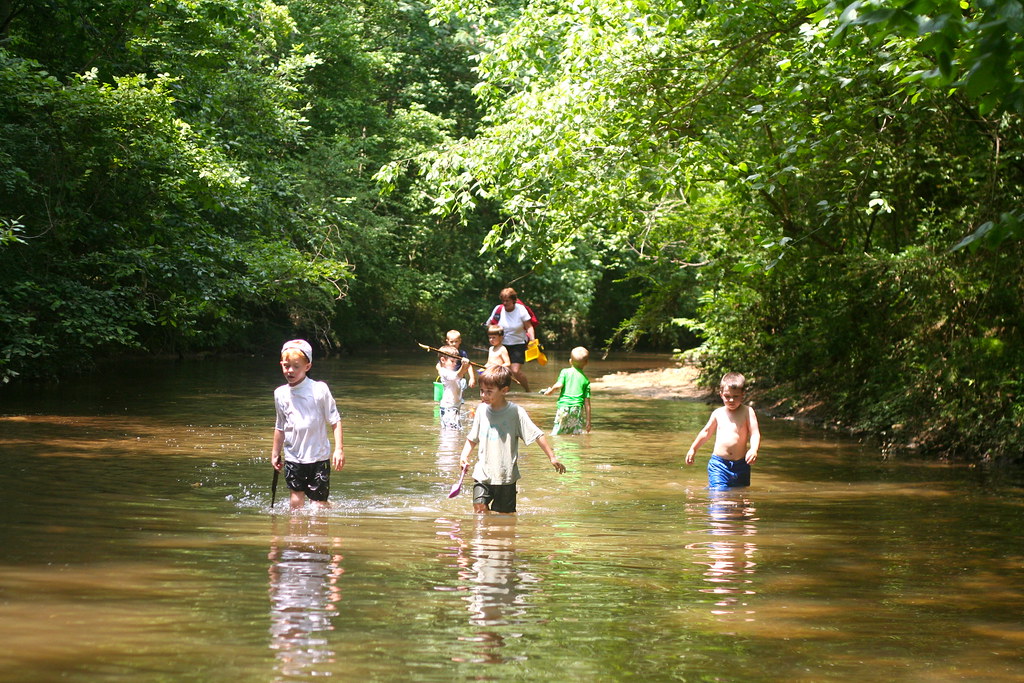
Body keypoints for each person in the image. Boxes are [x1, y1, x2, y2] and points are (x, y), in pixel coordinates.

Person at [459, 366, 566, 514]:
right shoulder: (481, 410)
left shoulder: (515, 412)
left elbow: (537, 434)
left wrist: (552, 458)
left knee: (505, 517)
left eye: (489, 392)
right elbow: (472, 438)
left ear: (504, 390)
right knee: (479, 509)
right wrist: (464, 456)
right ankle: (485, 535)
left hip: (506, 476)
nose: (483, 395)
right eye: (481, 390)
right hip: (482, 473)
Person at [271, 339, 345, 509]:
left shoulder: (319, 390)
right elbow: (280, 426)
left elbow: (335, 420)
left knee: (317, 508)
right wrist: (275, 453)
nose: (290, 370)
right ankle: (295, 534)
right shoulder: (280, 394)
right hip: (293, 456)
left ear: (307, 367)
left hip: (318, 457)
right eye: (286, 365)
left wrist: (339, 449)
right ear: (281, 364)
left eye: (296, 366)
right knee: (296, 506)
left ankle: (325, 507)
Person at [684, 372, 761, 490]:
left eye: (735, 396)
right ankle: (715, 493)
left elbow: (755, 433)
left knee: (739, 497)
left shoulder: (747, 412)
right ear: (721, 394)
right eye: (727, 396)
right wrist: (693, 449)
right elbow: (706, 432)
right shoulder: (718, 413)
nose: (731, 400)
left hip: (741, 464)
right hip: (719, 464)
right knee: (719, 496)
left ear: (742, 395)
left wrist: (753, 449)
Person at [484, 287, 534, 391]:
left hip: (518, 343)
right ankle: (503, 393)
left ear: (513, 300)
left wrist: (533, 341)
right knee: (500, 370)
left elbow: (529, 326)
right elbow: (489, 325)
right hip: (502, 345)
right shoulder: (498, 309)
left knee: (515, 371)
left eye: (507, 300)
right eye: (503, 300)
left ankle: (528, 391)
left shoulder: (520, 309)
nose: (505, 303)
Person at [541, 346, 592, 435]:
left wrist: (550, 391)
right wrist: (588, 421)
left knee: (557, 433)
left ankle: (558, 448)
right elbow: (587, 403)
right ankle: (574, 448)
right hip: (577, 409)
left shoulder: (565, 372)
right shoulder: (586, 380)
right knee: (575, 433)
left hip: (564, 407)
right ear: (586, 363)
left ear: (570, 361)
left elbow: (559, 385)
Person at [436, 344, 471, 430]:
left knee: (455, 430)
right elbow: (457, 375)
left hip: (454, 407)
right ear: (443, 360)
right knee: (451, 431)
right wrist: (463, 366)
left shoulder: (450, 371)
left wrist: (465, 366)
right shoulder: (444, 372)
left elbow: (460, 374)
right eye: (452, 361)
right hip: (448, 408)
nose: (455, 364)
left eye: (456, 361)